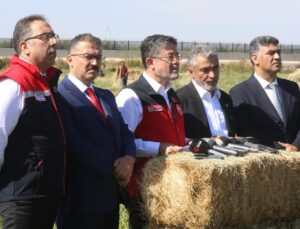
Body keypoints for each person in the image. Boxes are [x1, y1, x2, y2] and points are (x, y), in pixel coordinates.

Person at [56, 33, 136, 229]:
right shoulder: (59, 96)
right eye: (88, 57)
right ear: (70, 60)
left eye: (98, 57)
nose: (94, 62)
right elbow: (74, 144)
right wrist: (115, 169)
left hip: (109, 200)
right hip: (80, 203)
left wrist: (129, 158)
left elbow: (124, 131)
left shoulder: (106, 96)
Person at [0, 15, 65, 229]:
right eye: (45, 37)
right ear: (24, 46)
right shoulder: (14, 83)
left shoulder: (44, 82)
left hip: (43, 193)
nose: (54, 42)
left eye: (53, 36)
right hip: (22, 196)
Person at [116, 34, 186, 228]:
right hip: (144, 190)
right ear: (151, 62)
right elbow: (122, 142)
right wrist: (159, 148)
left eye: (177, 56)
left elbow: (173, 135)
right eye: (170, 57)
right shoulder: (131, 96)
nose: (176, 61)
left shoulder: (172, 95)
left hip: (173, 186)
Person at [229, 35, 300, 151]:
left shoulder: (291, 88)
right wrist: (279, 148)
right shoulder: (240, 92)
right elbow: (245, 131)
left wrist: (296, 146)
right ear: (255, 58)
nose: (277, 57)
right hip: (266, 159)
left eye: (278, 52)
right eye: (271, 53)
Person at [176, 45, 235, 139]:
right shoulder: (179, 99)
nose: (212, 75)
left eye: (215, 68)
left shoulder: (226, 99)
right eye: (205, 70)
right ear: (191, 72)